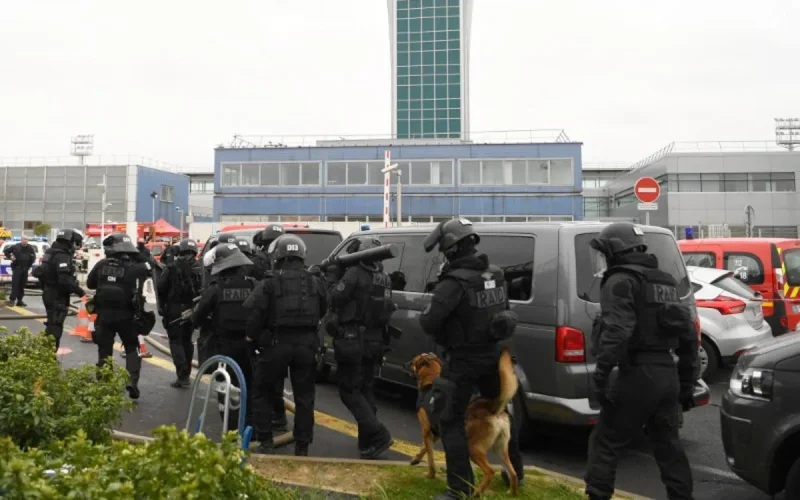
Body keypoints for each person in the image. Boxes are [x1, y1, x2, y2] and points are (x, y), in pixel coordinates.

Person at [584, 222, 696, 500]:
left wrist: (600, 378)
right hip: (667, 374)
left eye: (603, 252)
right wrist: (687, 383)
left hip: (638, 374)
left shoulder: (619, 281)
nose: (602, 258)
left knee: (604, 442)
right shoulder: (665, 281)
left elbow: (618, 331)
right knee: (669, 448)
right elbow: (688, 334)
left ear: (615, 251)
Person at [419, 218, 524, 499]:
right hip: (493, 355)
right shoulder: (495, 274)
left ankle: (459, 488)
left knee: (450, 419)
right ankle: (516, 473)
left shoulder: (454, 282)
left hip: (463, 360)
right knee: (500, 410)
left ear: (450, 249)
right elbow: (503, 309)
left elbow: (429, 322)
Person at [244, 234, 326, 456]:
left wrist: (251, 338)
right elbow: (323, 309)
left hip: (276, 344)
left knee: (263, 390)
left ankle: (266, 441)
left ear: (278, 257)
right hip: (307, 345)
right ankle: (302, 445)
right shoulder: (315, 281)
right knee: (304, 397)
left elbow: (255, 314)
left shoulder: (269, 282)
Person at [327, 236, 395, 460]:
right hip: (375, 341)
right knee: (365, 390)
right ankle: (367, 444)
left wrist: (333, 276)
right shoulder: (384, 278)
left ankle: (377, 434)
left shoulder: (355, 274)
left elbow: (334, 298)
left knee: (349, 391)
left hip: (354, 339)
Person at [191, 243, 255, 431]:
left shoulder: (215, 289)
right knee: (249, 386)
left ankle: (231, 429)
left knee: (225, 387)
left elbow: (197, 317)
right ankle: (250, 428)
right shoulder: (253, 284)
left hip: (224, 348)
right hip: (249, 346)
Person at [87, 233, 152, 400]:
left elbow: (90, 284)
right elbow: (154, 268)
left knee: (104, 349)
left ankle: (104, 383)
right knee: (132, 347)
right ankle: (132, 382)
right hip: (127, 316)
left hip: (104, 316)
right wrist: (140, 254)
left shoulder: (102, 264)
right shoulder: (137, 268)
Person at [249, 224, 289, 431]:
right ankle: (278, 414)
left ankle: (266, 423)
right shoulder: (286, 262)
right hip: (282, 328)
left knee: (262, 379)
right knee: (277, 377)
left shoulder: (257, 263)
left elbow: (253, 301)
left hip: (265, 328)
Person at [157, 238, 202, 388]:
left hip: (174, 310)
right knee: (187, 340)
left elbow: (161, 287)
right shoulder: (199, 267)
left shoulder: (172, 267)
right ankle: (186, 373)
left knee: (176, 341)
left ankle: (182, 375)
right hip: (192, 308)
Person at [37, 229, 86, 351]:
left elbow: (42, 273)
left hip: (48, 292)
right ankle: (49, 357)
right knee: (55, 328)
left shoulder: (50, 252)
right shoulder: (63, 256)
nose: (75, 247)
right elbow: (64, 280)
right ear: (70, 242)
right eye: (75, 244)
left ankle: (46, 355)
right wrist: (80, 292)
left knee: (52, 325)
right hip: (57, 296)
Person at [4, 235, 37, 307]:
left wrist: (30, 263)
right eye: (24, 239)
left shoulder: (30, 248)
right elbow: (6, 251)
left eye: (27, 239)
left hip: (25, 269)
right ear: (21, 240)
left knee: (22, 285)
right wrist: (10, 257)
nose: (26, 241)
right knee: (15, 284)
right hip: (17, 268)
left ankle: (20, 300)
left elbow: (33, 256)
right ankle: (12, 300)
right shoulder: (15, 246)